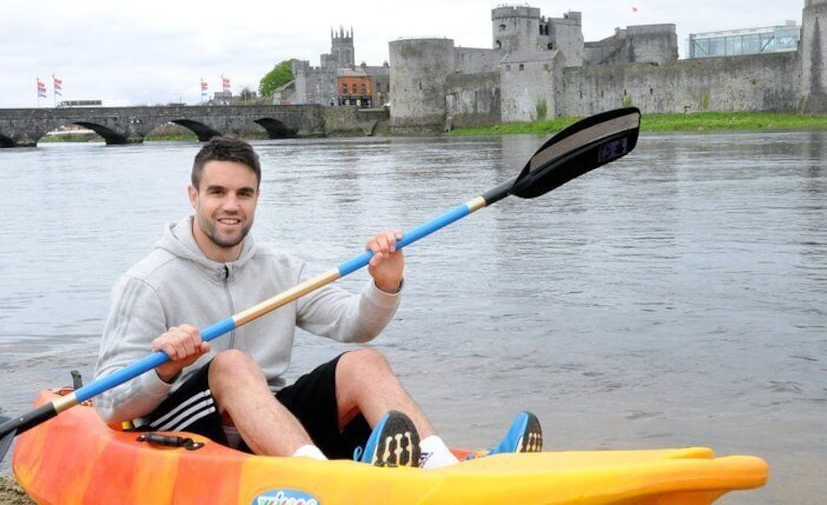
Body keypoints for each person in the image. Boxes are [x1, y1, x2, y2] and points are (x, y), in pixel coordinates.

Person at [94, 136, 542, 468]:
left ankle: (440, 463)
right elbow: (109, 403)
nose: (231, 205)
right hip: (185, 426)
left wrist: (385, 285)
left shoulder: (281, 269)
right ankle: (317, 475)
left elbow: (353, 324)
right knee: (230, 364)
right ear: (194, 197)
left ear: (256, 199)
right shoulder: (147, 282)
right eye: (217, 192)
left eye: (243, 194)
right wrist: (164, 369)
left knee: (363, 362)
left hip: (267, 416)